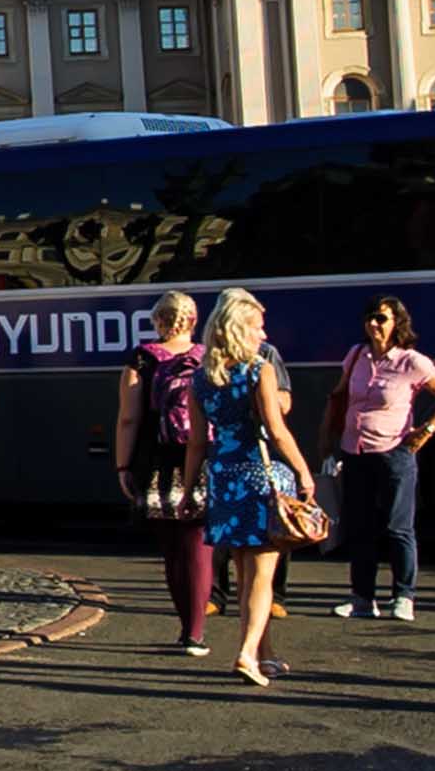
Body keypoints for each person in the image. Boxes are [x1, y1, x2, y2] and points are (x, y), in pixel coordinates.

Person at [195, 287, 315, 689]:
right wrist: (303, 471)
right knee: (263, 575)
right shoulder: (257, 370)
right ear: (239, 330)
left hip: (222, 476)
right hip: (257, 475)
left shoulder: (202, 376)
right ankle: (247, 654)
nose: (263, 336)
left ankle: (264, 652)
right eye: (257, 328)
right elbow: (277, 433)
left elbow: (198, 441)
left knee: (245, 571)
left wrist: (195, 481)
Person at [325, 296, 435, 623]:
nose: (374, 324)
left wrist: (426, 430)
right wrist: (327, 442)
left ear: (396, 323)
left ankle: (403, 596)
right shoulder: (356, 356)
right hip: (355, 451)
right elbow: (339, 397)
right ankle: (362, 598)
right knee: (359, 528)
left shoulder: (412, 362)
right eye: (370, 317)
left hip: (394, 453)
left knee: (397, 527)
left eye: (381, 319)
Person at [111, 293, 217, 649]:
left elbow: (129, 418)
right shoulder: (208, 357)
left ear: (158, 320)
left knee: (172, 548)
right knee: (198, 543)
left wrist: (123, 465)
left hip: (159, 461)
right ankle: (196, 632)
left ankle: (185, 624)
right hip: (203, 458)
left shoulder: (142, 360)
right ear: (192, 320)